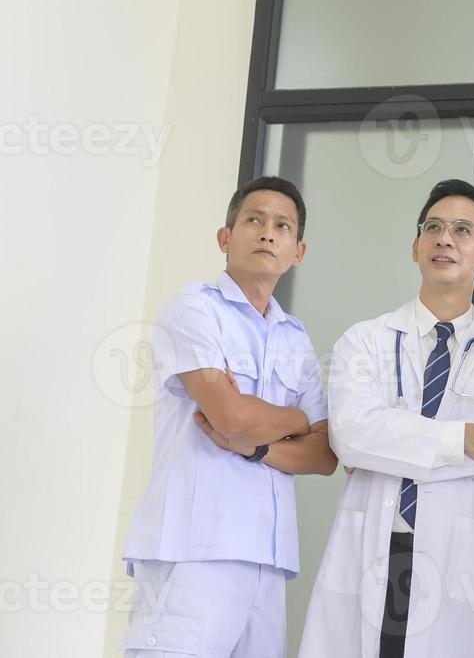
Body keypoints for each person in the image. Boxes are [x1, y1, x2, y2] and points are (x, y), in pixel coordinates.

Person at [299, 178, 474, 658]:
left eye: (462, 230)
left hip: (458, 556)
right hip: (375, 544)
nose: (444, 239)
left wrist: (392, 442)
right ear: (415, 246)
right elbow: (351, 434)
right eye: (434, 227)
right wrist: (465, 439)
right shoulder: (364, 341)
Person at [121, 176, 336, 658]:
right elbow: (231, 415)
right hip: (194, 551)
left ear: (297, 251)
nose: (267, 233)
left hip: (269, 560)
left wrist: (259, 444)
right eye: (254, 220)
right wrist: (298, 418)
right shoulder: (193, 311)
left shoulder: (295, 339)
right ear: (225, 237)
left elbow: (323, 454)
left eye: (282, 226)